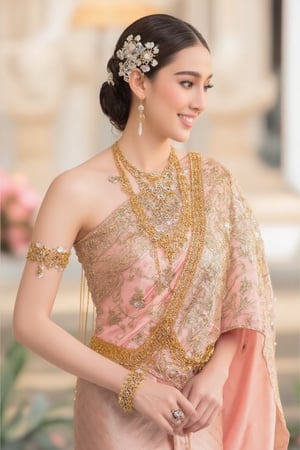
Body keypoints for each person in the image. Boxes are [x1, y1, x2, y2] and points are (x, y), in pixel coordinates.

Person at [13, 13, 289, 450]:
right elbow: (29, 322)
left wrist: (216, 378)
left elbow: (247, 302)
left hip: (201, 411)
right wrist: (135, 387)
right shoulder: (75, 190)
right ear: (139, 82)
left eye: (207, 85)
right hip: (116, 412)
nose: (200, 101)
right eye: (186, 82)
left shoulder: (216, 183)